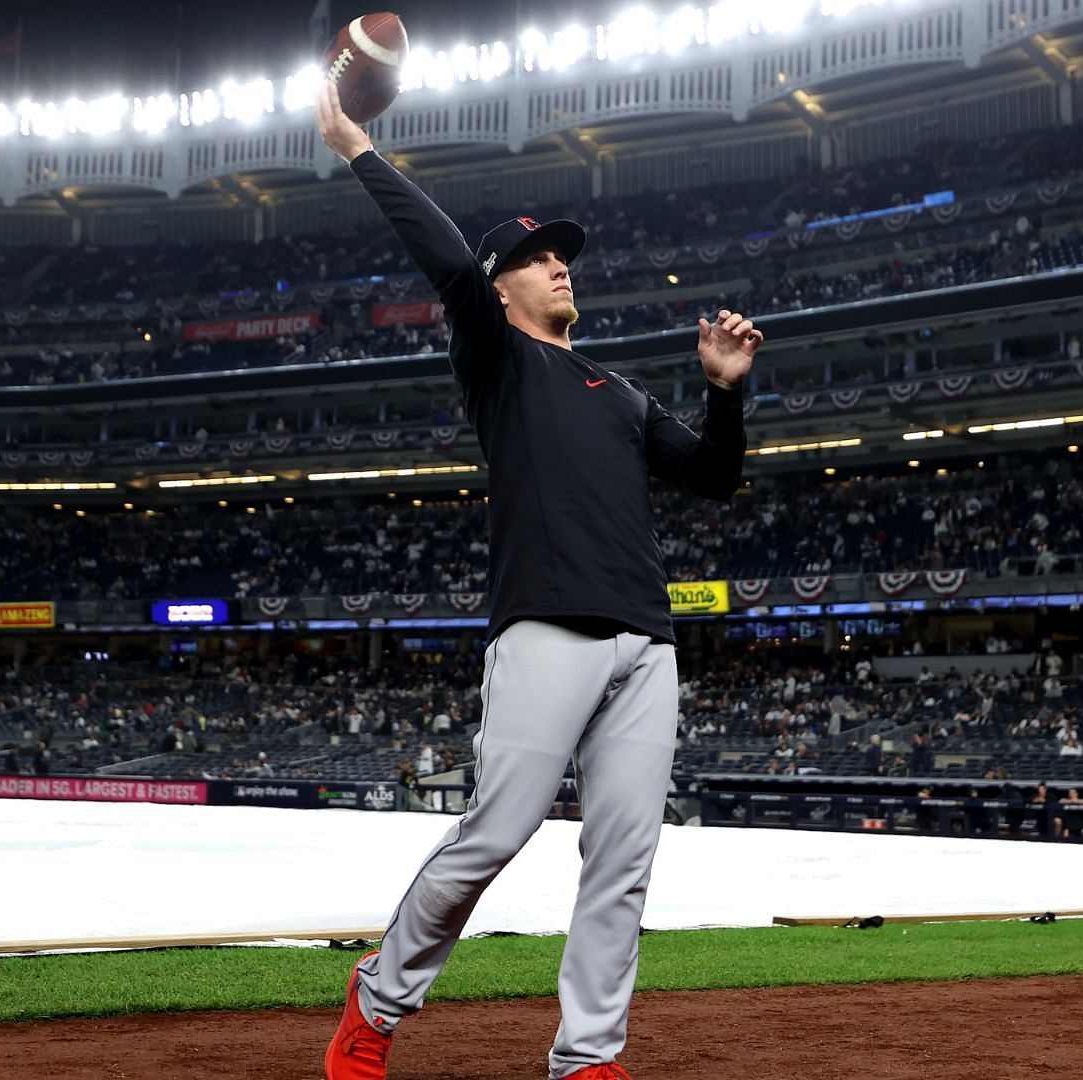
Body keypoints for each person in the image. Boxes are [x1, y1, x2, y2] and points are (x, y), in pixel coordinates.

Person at [315, 81, 758, 1080]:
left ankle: (589, 1057)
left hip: (647, 642)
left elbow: (716, 477)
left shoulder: (619, 389)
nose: (559, 266)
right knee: (495, 834)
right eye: (536, 258)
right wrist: (355, 147)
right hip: (545, 630)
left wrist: (724, 394)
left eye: (562, 258)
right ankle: (376, 1003)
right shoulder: (496, 360)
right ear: (500, 284)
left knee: (623, 866)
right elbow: (440, 257)